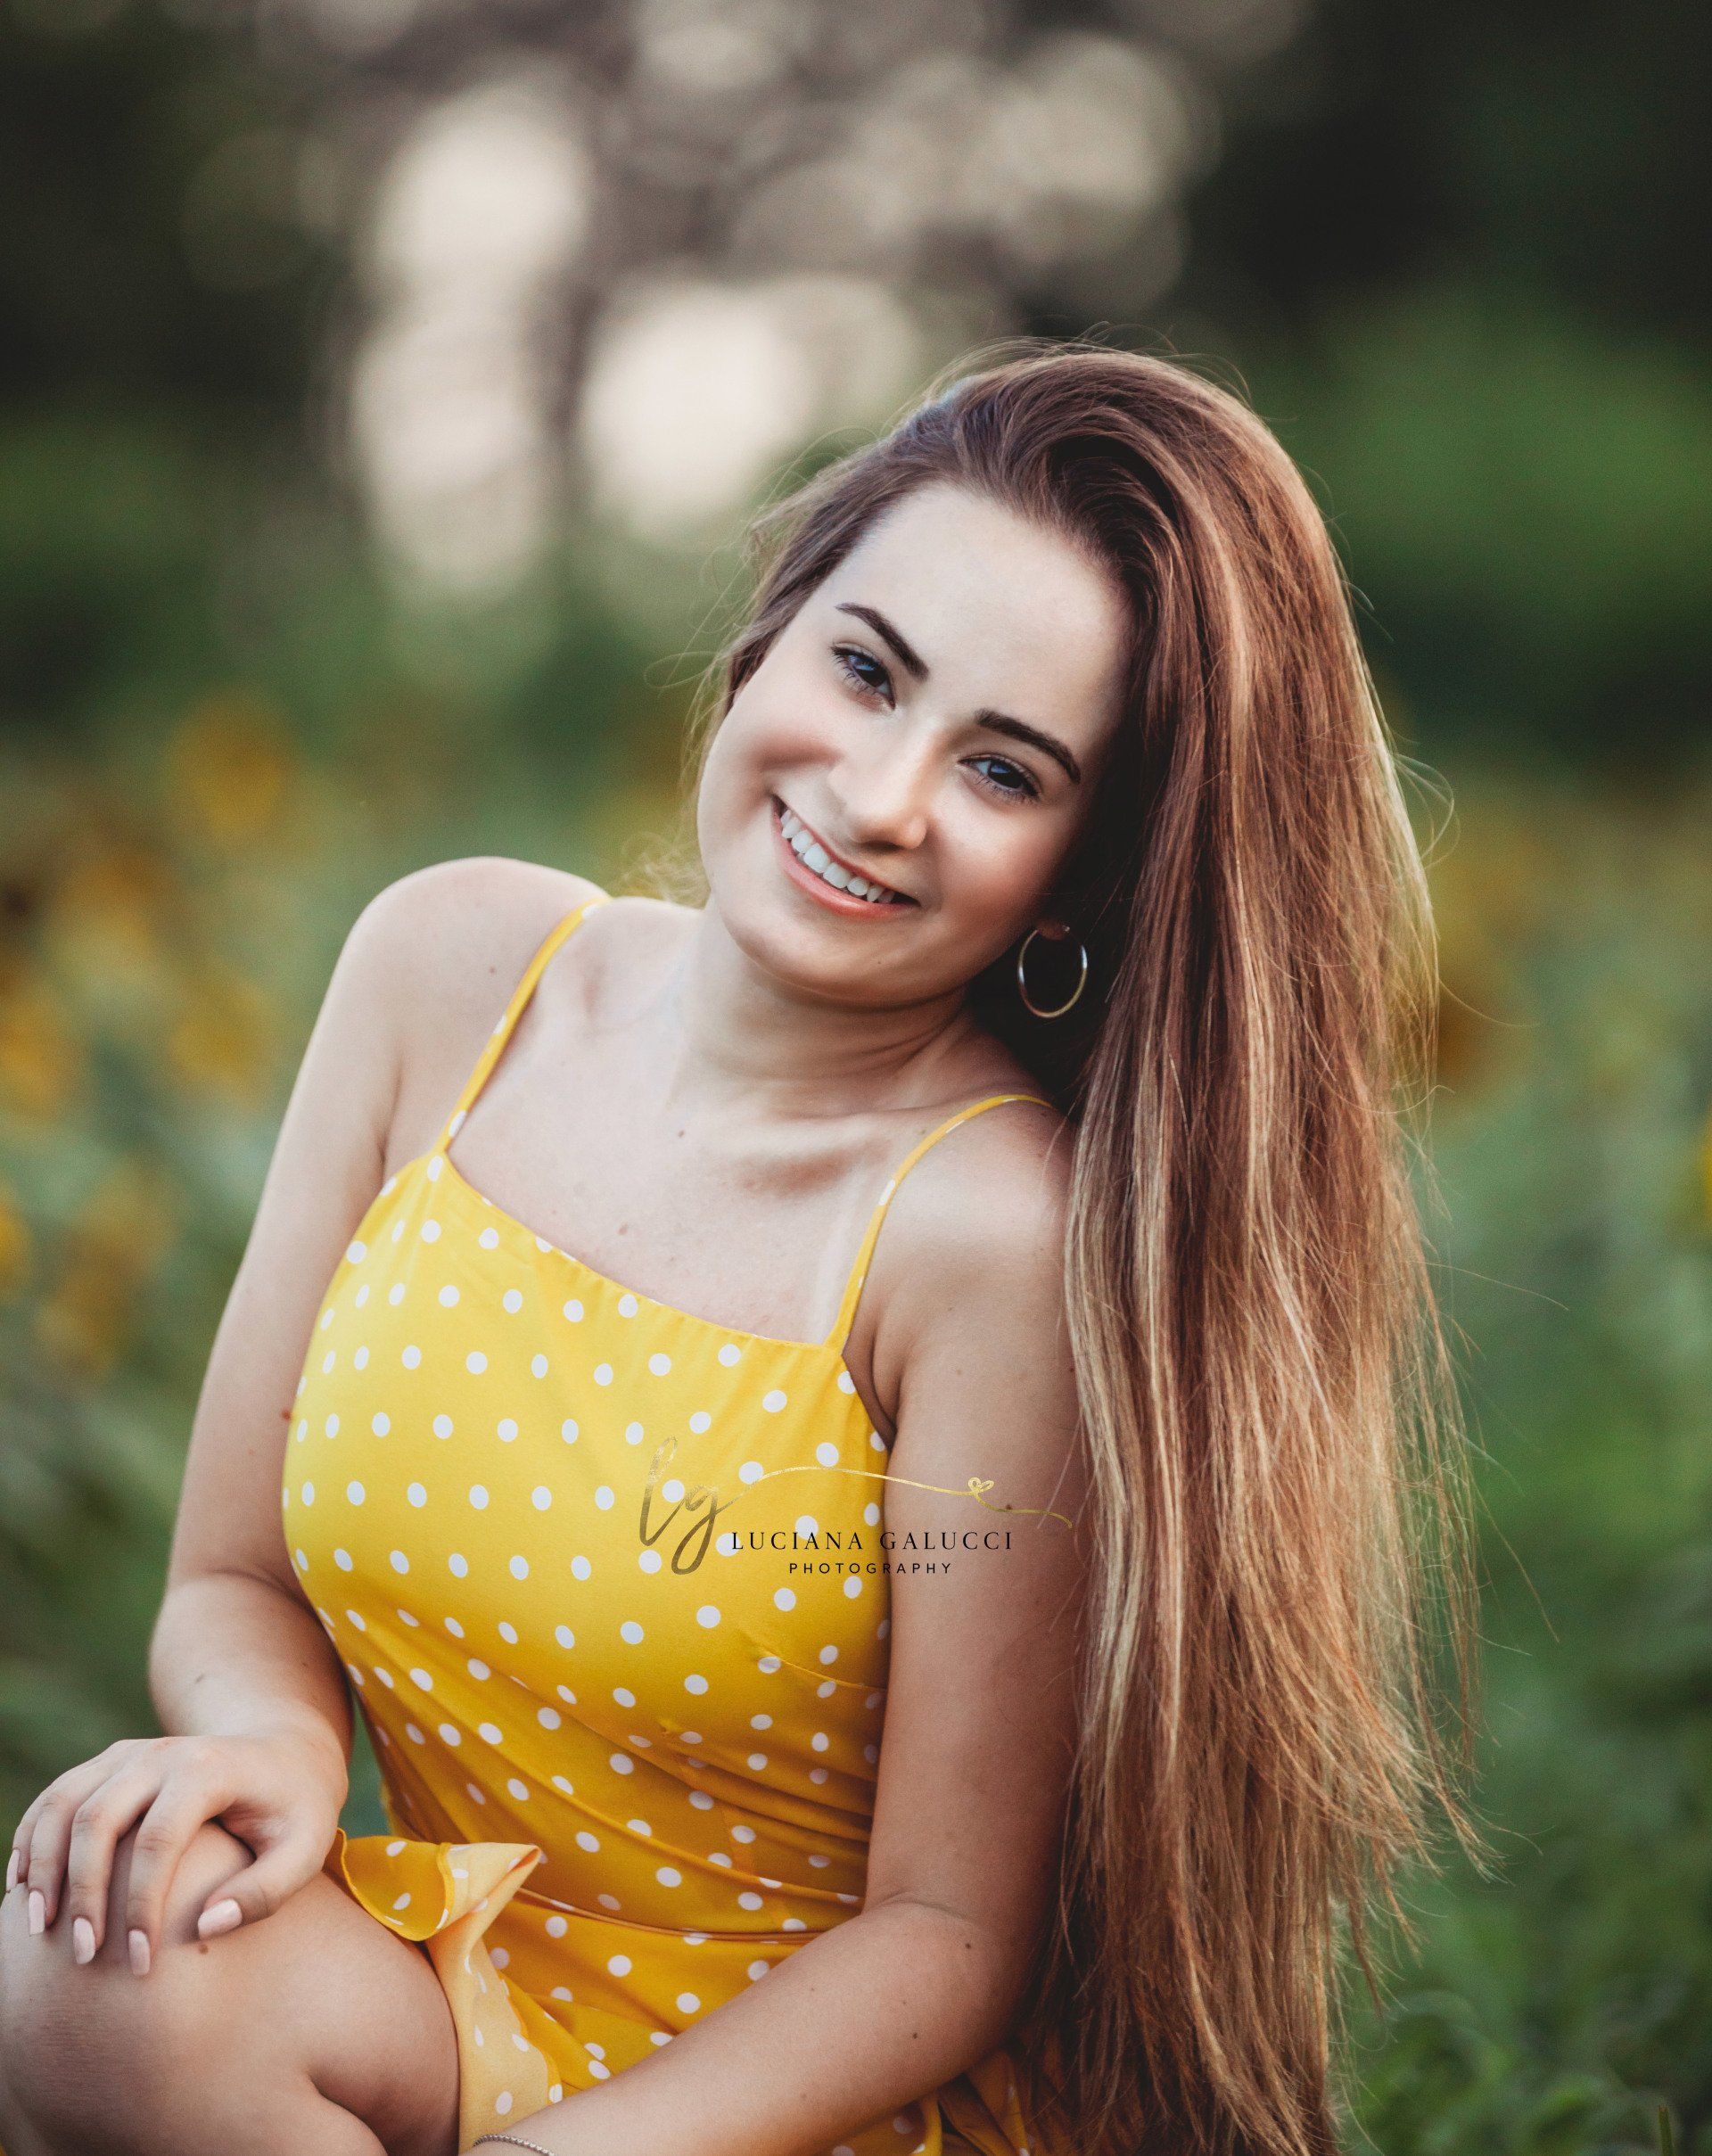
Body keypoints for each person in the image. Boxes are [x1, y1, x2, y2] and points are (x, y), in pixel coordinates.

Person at [0, 342, 1480, 2156]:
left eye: (1002, 770)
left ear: (1082, 875)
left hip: (785, 2101)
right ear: (771, 633)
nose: (881, 795)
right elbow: (232, 1579)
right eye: (866, 671)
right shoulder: (446, 973)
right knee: (92, 1956)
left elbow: (945, 1933)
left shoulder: (987, 1239)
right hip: (462, 1997)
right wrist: (275, 1749)